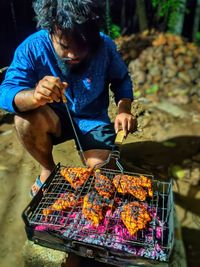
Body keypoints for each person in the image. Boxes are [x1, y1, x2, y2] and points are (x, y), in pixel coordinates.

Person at [0, 0, 135, 198]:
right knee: (24, 118)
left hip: (92, 120)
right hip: (53, 118)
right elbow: (7, 92)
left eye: (82, 46)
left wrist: (124, 109)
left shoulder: (104, 45)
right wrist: (35, 95)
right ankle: (48, 169)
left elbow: (121, 79)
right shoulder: (32, 47)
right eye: (64, 46)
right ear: (52, 30)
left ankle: (94, 153)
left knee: (104, 173)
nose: (73, 54)